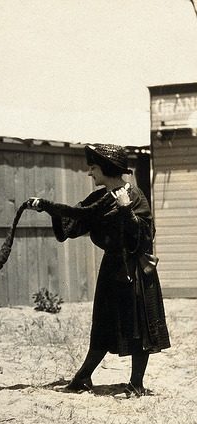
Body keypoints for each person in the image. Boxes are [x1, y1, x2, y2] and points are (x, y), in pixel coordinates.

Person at [26, 143, 170, 397]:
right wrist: (49, 208)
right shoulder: (99, 199)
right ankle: (83, 378)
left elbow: (144, 238)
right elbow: (74, 223)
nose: (90, 173)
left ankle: (136, 383)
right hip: (112, 268)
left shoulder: (134, 196)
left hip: (135, 270)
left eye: (93, 168)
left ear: (105, 168)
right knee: (103, 325)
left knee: (138, 326)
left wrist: (126, 210)